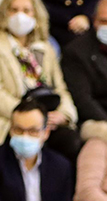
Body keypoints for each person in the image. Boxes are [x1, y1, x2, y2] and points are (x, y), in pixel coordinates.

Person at [0, 0, 80, 159]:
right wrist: (30, 115)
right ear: (4, 14)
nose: (20, 15)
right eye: (14, 10)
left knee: (70, 140)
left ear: (36, 14)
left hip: (47, 116)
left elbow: (60, 88)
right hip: (12, 117)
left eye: (26, 10)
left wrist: (64, 114)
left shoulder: (46, 48)